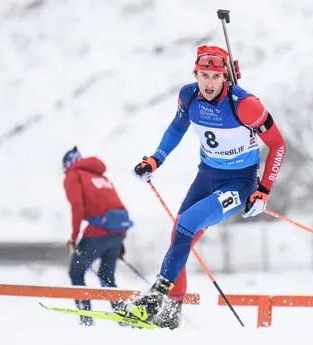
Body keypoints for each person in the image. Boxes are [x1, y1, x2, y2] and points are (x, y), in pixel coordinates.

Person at [126, 45, 286, 329]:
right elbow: (176, 129)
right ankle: (172, 313)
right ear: (195, 74)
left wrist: (264, 189)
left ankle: (154, 299)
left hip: (239, 183)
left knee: (186, 222)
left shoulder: (246, 105)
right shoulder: (188, 96)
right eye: (203, 75)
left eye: (215, 76)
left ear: (225, 76)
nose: (209, 83)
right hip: (207, 176)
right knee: (179, 235)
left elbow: (277, 144)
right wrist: (155, 159)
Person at [62, 146, 131, 326]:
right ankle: (124, 319)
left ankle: (86, 321)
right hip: (117, 231)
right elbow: (116, 204)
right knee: (107, 276)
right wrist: (120, 240)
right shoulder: (100, 176)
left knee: (76, 272)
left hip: (99, 232)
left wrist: (73, 237)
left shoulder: (73, 175)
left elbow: (77, 207)